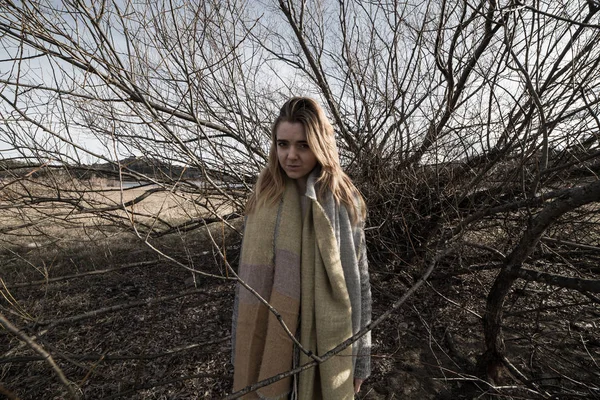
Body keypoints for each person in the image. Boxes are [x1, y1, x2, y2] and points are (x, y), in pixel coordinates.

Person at [231, 97, 372, 399]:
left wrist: (360, 362)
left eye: (303, 145)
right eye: (283, 144)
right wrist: (238, 350)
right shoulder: (264, 197)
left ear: (320, 145)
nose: (291, 155)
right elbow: (246, 286)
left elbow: (359, 282)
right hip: (271, 336)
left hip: (327, 338)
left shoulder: (343, 201)